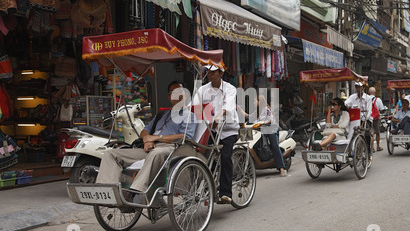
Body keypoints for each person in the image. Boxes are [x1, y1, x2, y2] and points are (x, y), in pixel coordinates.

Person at [95, 81, 198, 204]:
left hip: (172, 149)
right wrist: (146, 140)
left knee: (156, 153)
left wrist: (156, 138)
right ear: (169, 97)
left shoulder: (190, 116)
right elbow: (145, 131)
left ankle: (134, 191)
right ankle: (107, 192)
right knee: (111, 154)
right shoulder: (161, 115)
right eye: (173, 92)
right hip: (149, 147)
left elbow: (185, 136)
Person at [192, 65, 240, 204]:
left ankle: (226, 192)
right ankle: (205, 186)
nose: (210, 75)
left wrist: (219, 115)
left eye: (213, 72)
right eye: (208, 72)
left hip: (228, 129)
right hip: (210, 129)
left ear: (221, 73)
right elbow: (194, 106)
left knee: (225, 156)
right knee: (200, 155)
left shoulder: (229, 88)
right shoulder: (203, 89)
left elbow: (228, 106)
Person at [237, 94, 287, 177]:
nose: (253, 102)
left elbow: (271, 120)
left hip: (271, 129)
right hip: (261, 130)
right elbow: (248, 116)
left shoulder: (266, 109)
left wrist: (264, 122)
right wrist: (239, 109)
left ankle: (282, 168)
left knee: (275, 146)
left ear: (259, 102)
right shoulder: (257, 111)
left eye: (254, 101)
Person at [345, 81, 373, 155]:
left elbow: (369, 111)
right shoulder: (352, 97)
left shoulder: (368, 98)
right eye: (357, 87)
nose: (358, 89)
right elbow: (347, 104)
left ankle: (368, 152)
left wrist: (363, 121)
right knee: (347, 133)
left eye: (360, 87)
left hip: (365, 120)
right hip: (354, 120)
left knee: (366, 135)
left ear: (363, 88)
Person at [368, 87, 386, 152]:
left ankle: (372, 148)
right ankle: (378, 146)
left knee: (371, 132)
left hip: (368, 118)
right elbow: (381, 109)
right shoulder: (378, 99)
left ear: (368, 92)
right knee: (377, 132)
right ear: (375, 92)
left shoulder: (366, 98)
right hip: (376, 118)